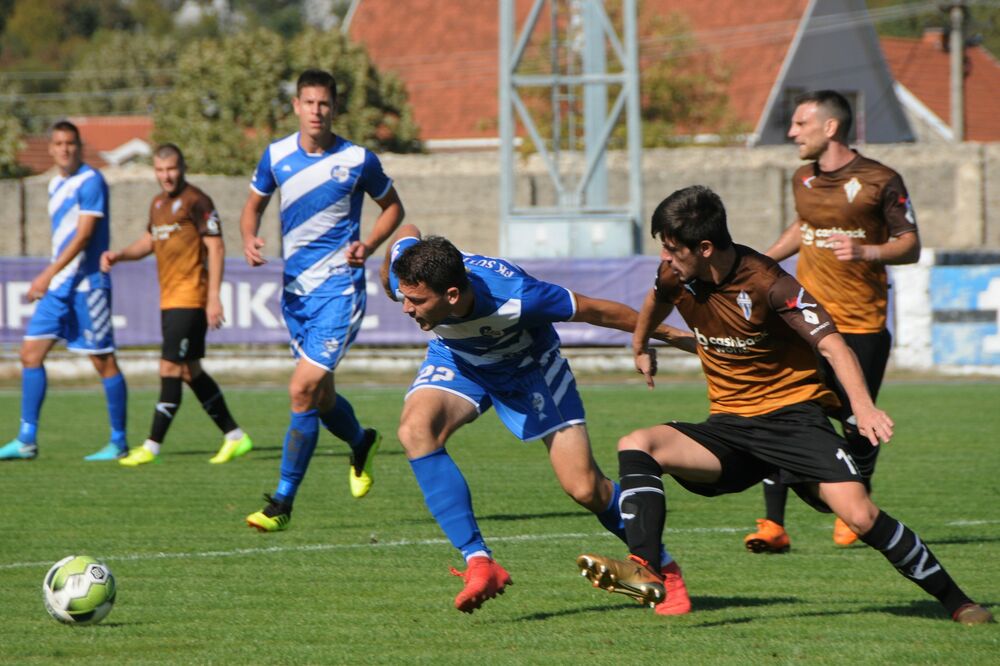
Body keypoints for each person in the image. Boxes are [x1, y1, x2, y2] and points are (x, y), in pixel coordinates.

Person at [576, 185, 992, 626]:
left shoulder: (769, 283)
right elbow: (656, 299)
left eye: (672, 249)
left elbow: (832, 344)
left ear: (705, 247)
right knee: (637, 443)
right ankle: (645, 566)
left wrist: (864, 407)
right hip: (730, 429)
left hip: (794, 421)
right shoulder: (675, 274)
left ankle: (958, 602)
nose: (665, 257)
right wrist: (641, 343)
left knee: (860, 515)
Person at [381, 224, 697, 614]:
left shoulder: (519, 297)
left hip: (532, 372)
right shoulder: (412, 273)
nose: (406, 308)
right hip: (462, 363)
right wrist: (388, 275)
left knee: (585, 489)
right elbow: (407, 230)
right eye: (404, 296)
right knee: (415, 432)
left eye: (416, 301)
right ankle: (479, 562)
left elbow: (597, 310)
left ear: (452, 294)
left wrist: (670, 338)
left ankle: (663, 568)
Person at [744, 90, 922, 552]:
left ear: (830, 127)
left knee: (858, 422)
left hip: (861, 325)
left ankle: (856, 508)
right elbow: (804, 228)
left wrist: (868, 250)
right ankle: (772, 525)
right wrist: (759, 265)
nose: (791, 133)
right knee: (781, 411)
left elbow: (910, 244)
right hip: (805, 321)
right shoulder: (802, 178)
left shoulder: (880, 179)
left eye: (800, 123)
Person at [239, 69, 404, 531]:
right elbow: (252, 206)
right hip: (296, 295)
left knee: (302, 389)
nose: (316, 111)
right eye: (309, 103)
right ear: (296, 106)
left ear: (334, 107)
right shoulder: (276, 156)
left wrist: (368, 245)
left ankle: (282, 501)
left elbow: (393, 207)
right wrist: (249, 237)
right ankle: (361, 441)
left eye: (324, 103)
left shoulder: (357, 159)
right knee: (323, 396)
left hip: (339, 292)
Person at [101, 143, 252, 466]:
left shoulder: (197, 200)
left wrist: (213, 297)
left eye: (171, 169)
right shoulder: (158, 203)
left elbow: (216, 248)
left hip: (191, 297)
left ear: (182, 168)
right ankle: (235, 435)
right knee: (189, 370)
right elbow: (149, 241)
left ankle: (151, 446)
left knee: (169, 368)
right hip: (170, 299)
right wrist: (120, 255)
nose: (166, 176)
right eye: (160, 170)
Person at [0, 121, 129, 462]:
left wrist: (47, 274)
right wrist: (53, 278)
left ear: (79, 146)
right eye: (58, 143)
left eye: (70, 143)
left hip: (88, 286)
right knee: (30, 355)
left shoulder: (91, 181)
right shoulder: (55, 183)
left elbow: (84, 236)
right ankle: (26, 439)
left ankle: (118, 441)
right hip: (59, 288)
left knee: (102, 361)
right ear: (51, 148)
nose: (64, 149)